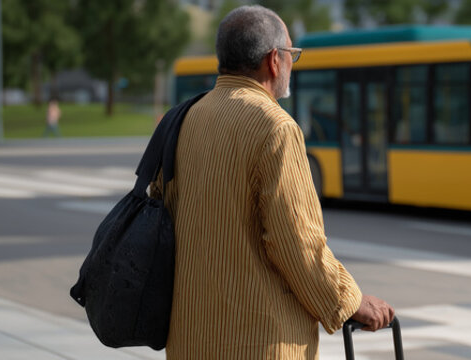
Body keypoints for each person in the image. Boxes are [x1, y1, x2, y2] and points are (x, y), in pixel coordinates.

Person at [156, 5, 394, 359]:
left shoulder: (183, 119)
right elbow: (296, 241)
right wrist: (349, 302)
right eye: (292, 55)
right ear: (273, 60)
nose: (291, 65)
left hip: (190, 339)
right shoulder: (275, 127)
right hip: (259, 342)